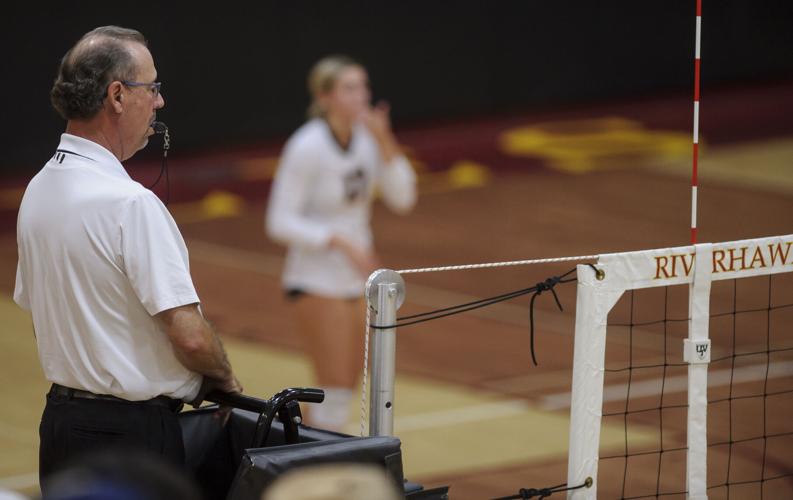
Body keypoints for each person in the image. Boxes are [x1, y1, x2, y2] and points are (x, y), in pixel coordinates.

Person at [13, 26, 242, 485]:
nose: (159, 102)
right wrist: (226, 380)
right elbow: (192, 338)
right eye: (152, 88)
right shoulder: (130, 203)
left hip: (60, 426)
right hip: (131, 436)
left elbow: (41, 313)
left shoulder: (37, 189)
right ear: (117, 95)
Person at [266, 55, 417, 431]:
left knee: (345, 388)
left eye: (363, 86)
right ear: (325, 95)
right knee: (333, 387)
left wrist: (385, 139)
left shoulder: (367, 139)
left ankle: (309, 455)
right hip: (316, 279)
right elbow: (278, 221)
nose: (361, 95)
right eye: (349, 88)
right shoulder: (307, 145)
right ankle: (312, 467)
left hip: (357, 280)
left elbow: (404, 198)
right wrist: (337, 241)